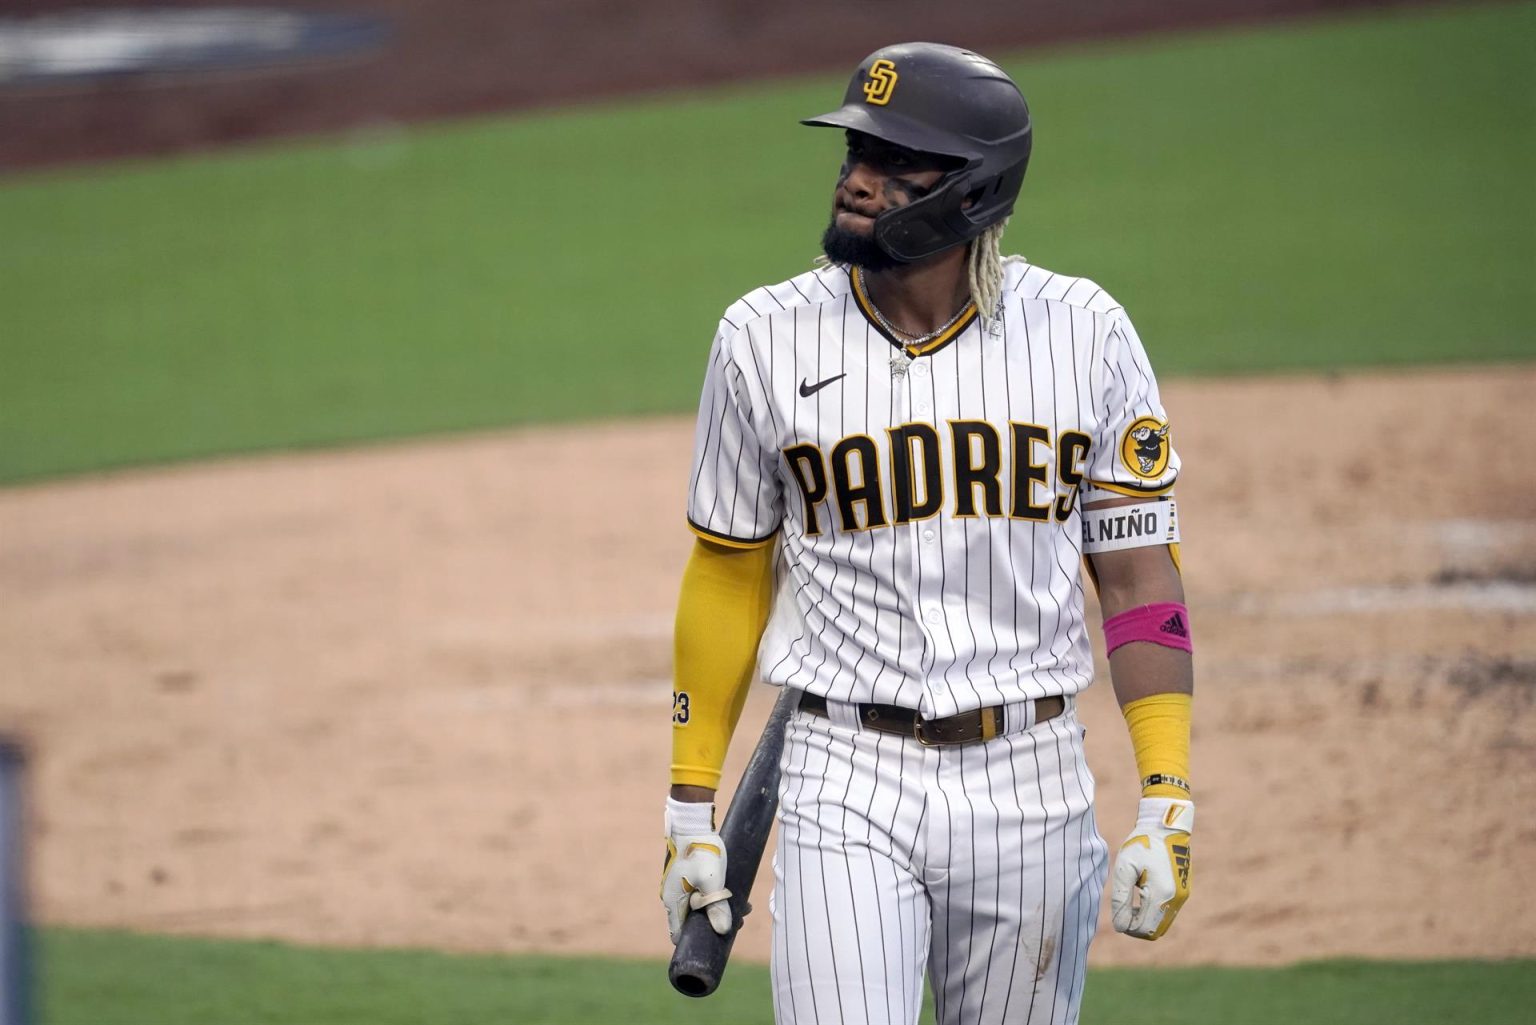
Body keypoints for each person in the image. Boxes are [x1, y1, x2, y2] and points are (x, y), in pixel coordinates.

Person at [660, 42, 1194, 1025]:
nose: (859, 178)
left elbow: (1135, 576)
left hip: (1033, 778)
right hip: (842, 773)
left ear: (974, 192)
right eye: (857, 150)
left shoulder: (1085, 333)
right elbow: (729, 568)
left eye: (898, 160)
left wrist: (1167, 794)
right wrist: (690, 799)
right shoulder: (761, 337)